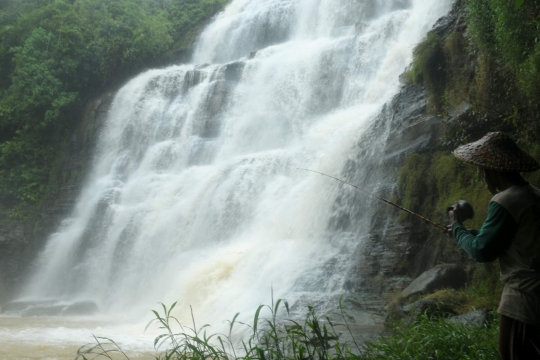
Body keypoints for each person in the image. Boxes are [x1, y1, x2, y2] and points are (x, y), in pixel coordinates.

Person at [447, 132, 540, 360]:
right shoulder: (533, 194)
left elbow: (482, 250)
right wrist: (472, 233)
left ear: (492, 169)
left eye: (482, 169)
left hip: (523, 300)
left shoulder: (505, 200)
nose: (480, 174)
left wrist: (457, 226)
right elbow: (514, 240)